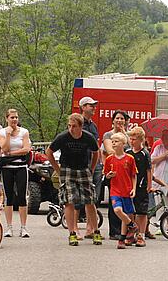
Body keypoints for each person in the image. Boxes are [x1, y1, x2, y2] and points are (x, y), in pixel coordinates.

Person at [46, 113, 100, 246]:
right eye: (69, 126)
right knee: (69, 200)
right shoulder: (63, 137)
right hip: (67, 169)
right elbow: (49, 151)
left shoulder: (88, 137)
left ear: (81, 126)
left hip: (83, 169)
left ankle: (96, 231)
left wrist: (91, 169)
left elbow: (96, 152)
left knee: (90, 200)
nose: (71, 129)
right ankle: (72, 233)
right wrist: (57, 169)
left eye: (74, 126)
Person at [0, 109, 32, 238]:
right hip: (7, 167)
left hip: (21, 166)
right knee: (9, 197)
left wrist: (11, 154)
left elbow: (26, 149)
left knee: (22, 196)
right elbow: (4, 148)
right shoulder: (1, 132)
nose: (14, 120)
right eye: (12, 117)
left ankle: (23, 227)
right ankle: (9, 227)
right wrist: (8, 135)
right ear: (7, 118)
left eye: (16, 117)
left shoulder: (24, 132)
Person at [104, 133, 140, 249]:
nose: (113, 143)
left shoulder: (130, 159)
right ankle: (132, 225)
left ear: (123, 144)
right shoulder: (109, 159)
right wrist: (109, 175)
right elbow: (106, 174)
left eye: (116, 141)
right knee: (118, 210)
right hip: (115, 190)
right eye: (112, 141)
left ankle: (122, 239)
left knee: (126, 212)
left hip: (127, 190)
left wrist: (134, 189)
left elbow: (134, 175)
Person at [102, 110, 131, 240]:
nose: (119, 121)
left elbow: (133, 148)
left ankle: (125, 230)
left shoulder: (127, 135)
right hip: (112, 172)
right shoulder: (108, 135)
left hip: (125, 173)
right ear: (113, 120)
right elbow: (110, 151)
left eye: (122, 119)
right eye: (117, 118)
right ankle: (114, 231)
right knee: (114, 203)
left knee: (125, 201)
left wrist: (124, 133)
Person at [79, 96, 103, 240]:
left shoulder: (93, 126)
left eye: (94, 105)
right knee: (79, 198)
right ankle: (75, 229)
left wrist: (99, 162)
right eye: (91, 105)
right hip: (81, 164)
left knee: (94, 197)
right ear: (83, 107)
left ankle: (90, 227)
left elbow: (97, 147)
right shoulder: (77, 123)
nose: (94, 107)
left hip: (95, 164)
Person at [127, 127, 153, 247]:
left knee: (142, 212)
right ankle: (131, 233)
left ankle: (141, 235)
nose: (132, 141)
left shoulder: (145, 153)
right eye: (130, 139)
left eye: (134, 139)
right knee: (130, 211)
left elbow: (149, 169)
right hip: (130, 186)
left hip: (142, 185)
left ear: (141, 140)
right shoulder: (128, 153)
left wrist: (149, 184)